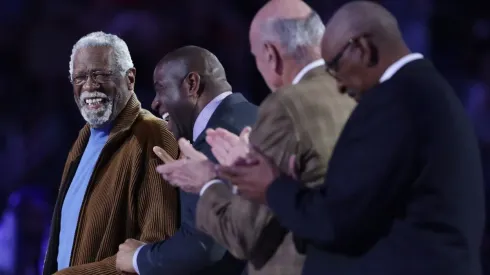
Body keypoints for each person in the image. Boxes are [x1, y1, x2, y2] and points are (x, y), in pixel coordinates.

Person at [216, 1, 486, 275]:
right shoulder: (424, 90)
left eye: (335, 66)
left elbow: (336, 222)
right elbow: (366, 203)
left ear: (363, 49)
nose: (340, 85)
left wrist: (272, 186)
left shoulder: (394, 102)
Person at [156, 1, 355, 274]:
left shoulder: (286, 107)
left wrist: (207, 182)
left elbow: (242, 235)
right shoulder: (356, 92)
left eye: (256, 57)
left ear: (270, 54)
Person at [42, 32, 179, 275]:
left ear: (130, 78)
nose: (90, 86)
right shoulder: (82, 141)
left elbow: (158, 249)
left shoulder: (151, 134)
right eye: (80, 77)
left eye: (101, 74)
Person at [115, 45, 258, 275]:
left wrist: (138, 259)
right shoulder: (253, 115)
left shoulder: (215, 138)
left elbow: (204, 246)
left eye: (161, 88)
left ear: (192, 84)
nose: (154, 103)